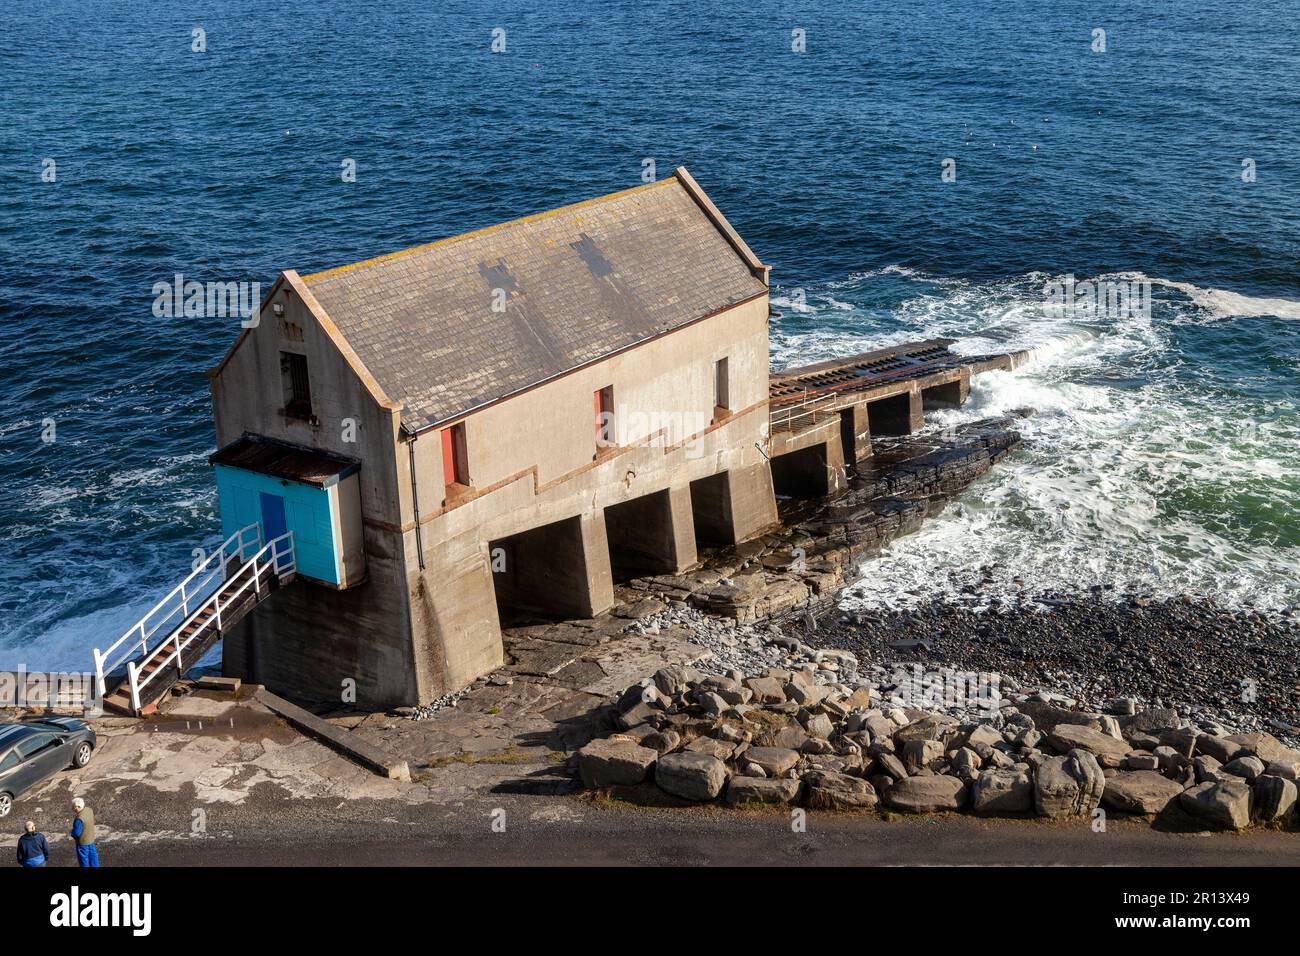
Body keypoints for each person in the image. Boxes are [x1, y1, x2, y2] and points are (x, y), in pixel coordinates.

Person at [69, 797, 99, 867]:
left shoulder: (79, 819)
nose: (72, 809)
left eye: (73, 807)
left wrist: (72, 833)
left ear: (78, 807)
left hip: (82, 842)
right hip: (91, 839)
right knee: (93, 857)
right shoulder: (89, 810)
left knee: (83, 860)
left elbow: (76, 833)